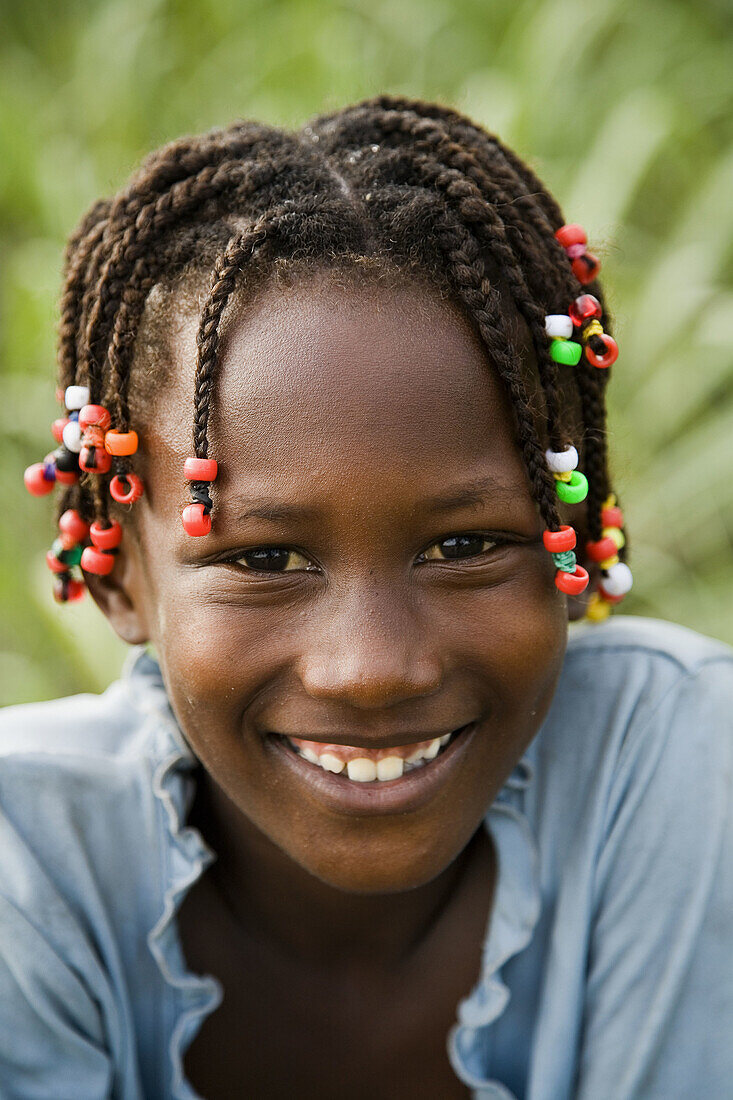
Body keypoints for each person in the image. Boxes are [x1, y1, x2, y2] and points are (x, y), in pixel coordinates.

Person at [5, 95, 733, 1100]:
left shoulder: (683, 765)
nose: (372, 664)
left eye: (466, 545)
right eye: (265, 560)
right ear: (121, 572)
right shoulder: (27, 868)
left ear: (568, 537)